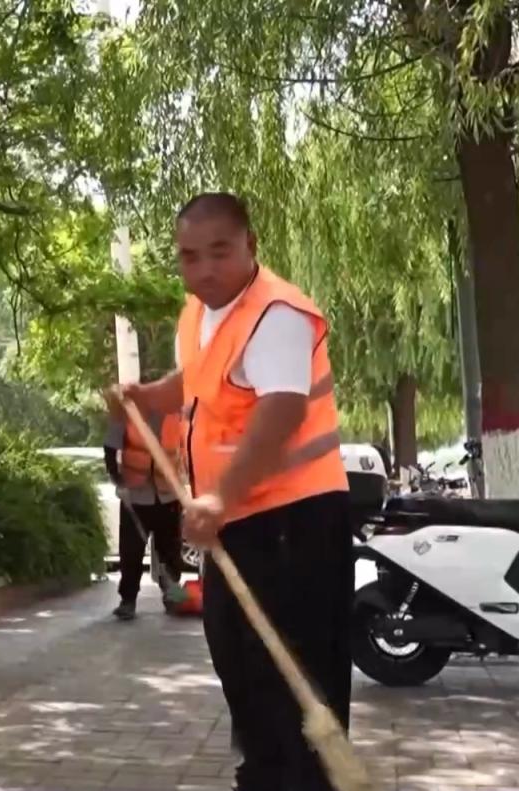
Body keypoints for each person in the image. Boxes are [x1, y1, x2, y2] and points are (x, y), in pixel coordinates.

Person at [115, 193, 353, 791]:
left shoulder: (275, 314)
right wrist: (152, 396)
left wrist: (219, 498)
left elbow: (282, 408)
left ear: (251, 244)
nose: (204, 270)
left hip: (293, 526)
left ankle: (302, 782)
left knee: (288, 681)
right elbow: (199, 380)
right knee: (243, 669)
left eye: (219, 252)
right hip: (240, 524)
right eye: (189, 256)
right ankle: (264, 777)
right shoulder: (200, 315)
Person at [101, 402, 185, 620]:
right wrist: (116, 479)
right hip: (136, 495)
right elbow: (110, 447)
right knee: (131, 552)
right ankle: (128, 600)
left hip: (168, 494)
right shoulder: (127, 412)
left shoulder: (176, 413)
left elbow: (186, 447)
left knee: (170, 550)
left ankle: (171, 594)